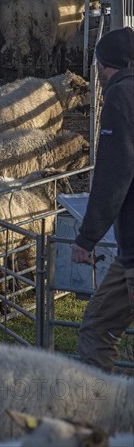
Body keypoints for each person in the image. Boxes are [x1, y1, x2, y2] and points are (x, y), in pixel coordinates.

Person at [71, 26, 134, 373]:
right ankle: (103, 414)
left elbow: (114, 172)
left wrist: (87, 237)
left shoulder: (121, 95)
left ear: (103, 66)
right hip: (127, 256)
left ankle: (104, 416)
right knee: (97, 325)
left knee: (97, 332)